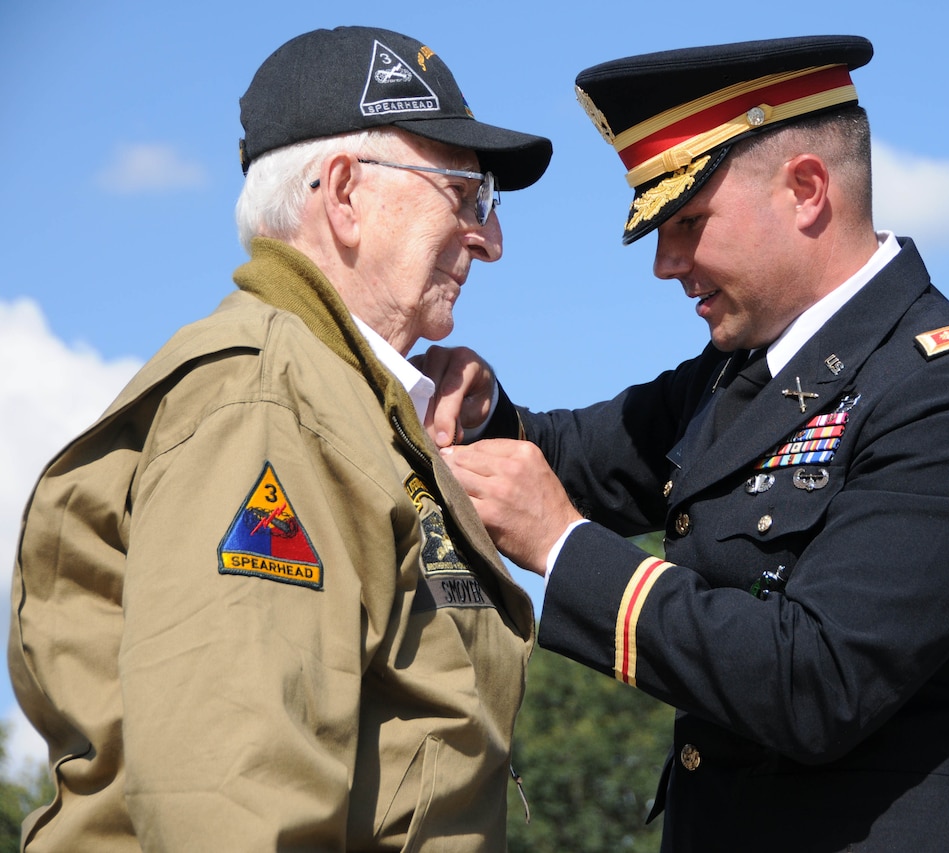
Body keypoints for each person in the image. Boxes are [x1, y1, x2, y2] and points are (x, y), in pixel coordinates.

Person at [431, 35, 949, 851]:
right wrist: (479, 410)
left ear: (805, 189)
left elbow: (817, 683)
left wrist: (561, 546)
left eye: (688, 221)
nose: (666, 263)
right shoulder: (737, 374)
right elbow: (575, 458)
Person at [7, 26, 551, 851]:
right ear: (343, 194)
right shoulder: (267, 403)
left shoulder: (329, 403)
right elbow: (229, 798)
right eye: (464, 194)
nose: (489, 238)